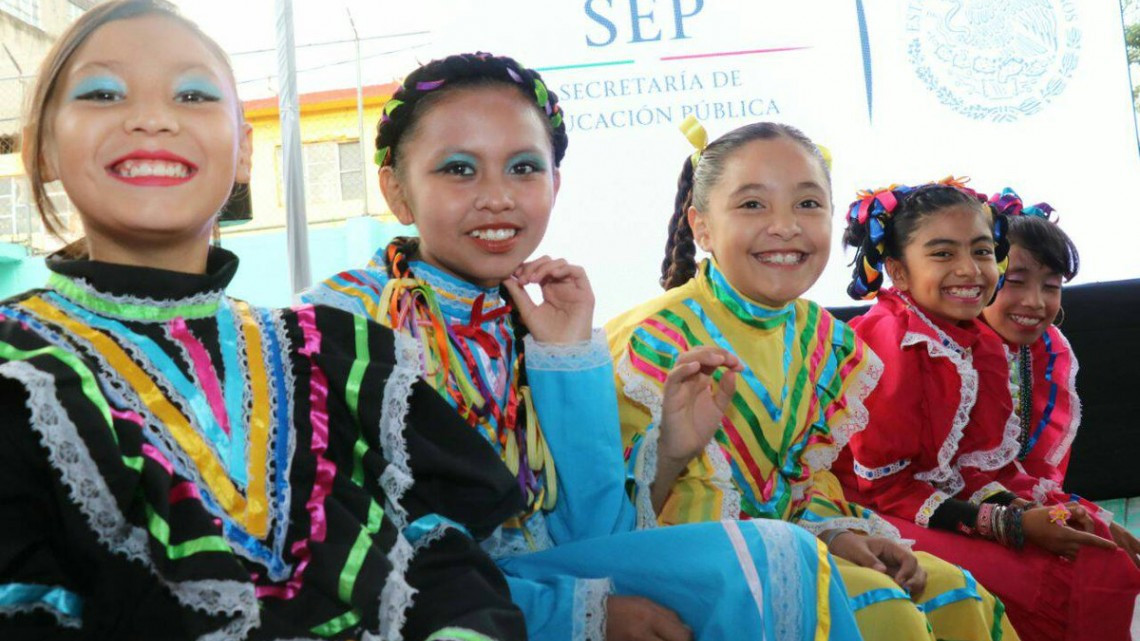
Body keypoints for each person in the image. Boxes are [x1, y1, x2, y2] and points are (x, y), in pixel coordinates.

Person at [0, 2, 528, 639]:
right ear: (44, 149)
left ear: (244, 152)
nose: (151, 118)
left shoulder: (337, 352)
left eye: (193, 94)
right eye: (103, 93)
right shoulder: (18, 370)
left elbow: (447, 573)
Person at [304, 53, 862, 641]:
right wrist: (570, 614)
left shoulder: (541, 314)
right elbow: (342, 556)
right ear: (397, 189)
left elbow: (595, 528)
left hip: (542, 577)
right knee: (768, 560)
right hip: (438, 607)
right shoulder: (341, 324)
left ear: (555, 183)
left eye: (523, 167)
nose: (498, 197)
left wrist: (635, 421)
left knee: (784, 561)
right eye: (459, 170)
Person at [606, 119, 1019, 641]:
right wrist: (669, 450)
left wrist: (843, 534)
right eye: (753, 204)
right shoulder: (648, 341)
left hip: (799, 547)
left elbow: (807, 480)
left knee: (954, 592)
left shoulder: (824, 338)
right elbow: (599, 514)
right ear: (701, 226)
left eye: (807, 204)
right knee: (886, 614)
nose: (786, 226)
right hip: (689, 567)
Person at [837, 178, 1140, 640]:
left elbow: (974, 469)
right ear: (898, 271)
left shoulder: (975, 341)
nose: (969, 269)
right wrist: (1014, 525)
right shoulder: (888, 340)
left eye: (981, 252)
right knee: (1046, 579)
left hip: (922, 501)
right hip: (861, 507)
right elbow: (886, 489)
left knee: (1098, 556)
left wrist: (1045, 515)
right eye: (943, 254)